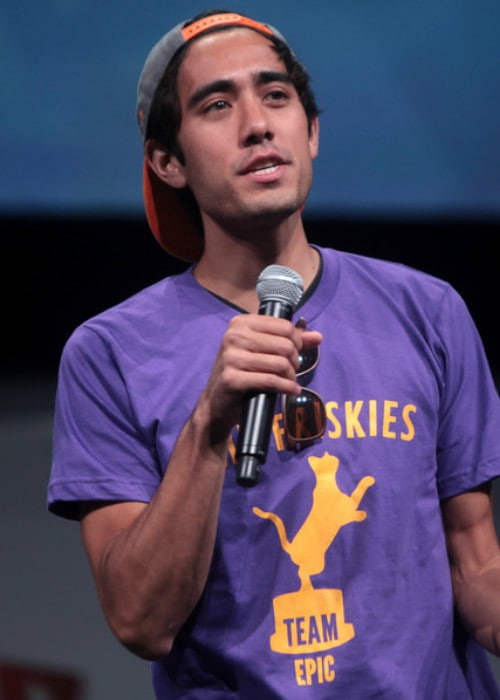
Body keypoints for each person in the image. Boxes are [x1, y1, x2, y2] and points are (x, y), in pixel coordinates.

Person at [47, 9, 500, 698]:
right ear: (168, 162)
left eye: (277, 96)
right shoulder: (109, 354)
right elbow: (142, 621)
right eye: (217, 104)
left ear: (311, 133)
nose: (257, 123)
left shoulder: (428, 311)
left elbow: (474, 566)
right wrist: (208, 426)